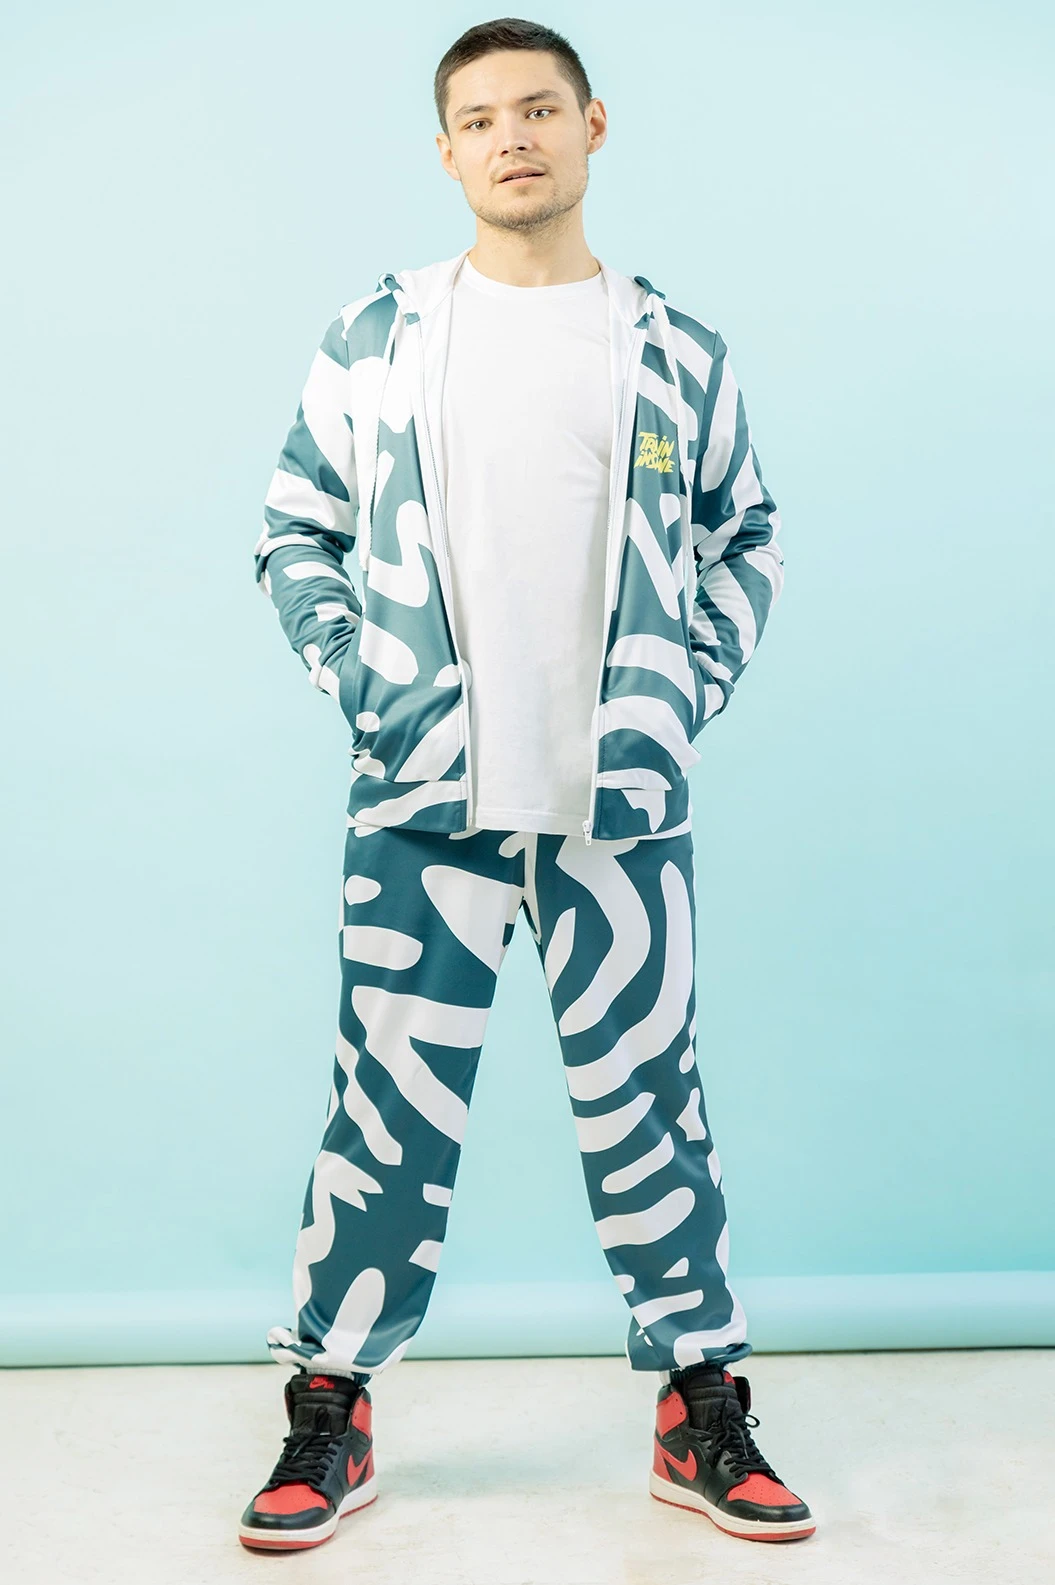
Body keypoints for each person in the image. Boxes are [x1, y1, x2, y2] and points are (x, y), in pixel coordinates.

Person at [239, 15, 813, 1553]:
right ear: (447, 151)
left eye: (539, 109)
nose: (513, 137)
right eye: (483, 118)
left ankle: (699, 1407)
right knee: (381, 1113)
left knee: (654, 1110)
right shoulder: (380, 335)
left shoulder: (674, 349)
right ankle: (331, 1407)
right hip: (421, 805)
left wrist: (680, 695)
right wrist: (365, 686)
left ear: (592, 126)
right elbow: (293, 528)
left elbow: (749, 539)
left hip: (623, 807)